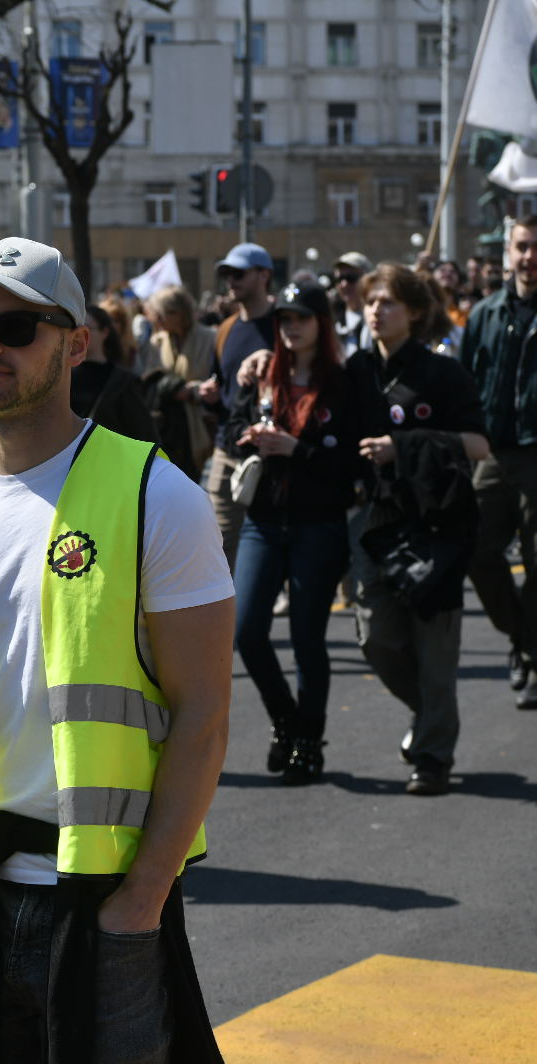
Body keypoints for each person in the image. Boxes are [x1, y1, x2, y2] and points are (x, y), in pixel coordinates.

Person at [0, 237, 233, 1063]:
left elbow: (205, 714)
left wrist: (141, 899)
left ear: (74, 344)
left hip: (99, 897)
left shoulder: (154, 495)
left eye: (17, 325)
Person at [348, 264, 488, 796]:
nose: (376, 312)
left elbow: (478, 446)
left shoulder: (443, 374)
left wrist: (403, 446)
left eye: (388, 302)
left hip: (436, 524)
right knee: (374, 636)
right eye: (370, 302)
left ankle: (432, 757)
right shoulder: (357, 370)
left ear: (416, 311)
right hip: (372, 524)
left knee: (435, 649)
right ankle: (432, 716)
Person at [224, 283, 357, 785]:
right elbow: (230, 429)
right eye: (283, 318)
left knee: (307, 639)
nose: (290, 326)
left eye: (301, 317)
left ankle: (309, 741)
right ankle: (286, 719)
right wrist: (249, 438)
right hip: (263, 520)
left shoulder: (342, 383)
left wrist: (295, 449)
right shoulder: (263, 374)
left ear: (322, 322)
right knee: (246, 630)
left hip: (317, 524)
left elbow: (348, 465)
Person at [462, 217, 537, 707]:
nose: (530, 257)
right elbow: (465, 382)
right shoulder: (485, 314)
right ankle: (524, 639)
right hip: (491, 452)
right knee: (477, 553)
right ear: (508, 252)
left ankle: (529, 654)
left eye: (536, 249)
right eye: (523, 248)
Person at [203, 242, 279, 570]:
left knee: (270, 532)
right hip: (227, 448)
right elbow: (221, 382)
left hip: (271, 449)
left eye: (239, 273)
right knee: (216, 538)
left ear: (265, 275)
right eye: (226, 274)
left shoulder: (285, 325)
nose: (231, 281)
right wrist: (210, 391)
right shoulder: (226, 328)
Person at [139, 285, 217, 482]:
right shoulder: (157, 341)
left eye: (161, 315)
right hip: (167, 426)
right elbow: (149, 379)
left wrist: (195, 392)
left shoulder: (210, 338)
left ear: (178, 313)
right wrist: (177, 388)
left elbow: (217, 380)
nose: (156, 320)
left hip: (202, 426)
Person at [73, 306, 158, 442]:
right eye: (74, 327)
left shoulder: (124, 381)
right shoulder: (59, 375)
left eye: (86, 327)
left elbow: (144, 435)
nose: (78, 333)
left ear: (105, 332)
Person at [331, 252, 374, 354]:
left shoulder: (377, 317)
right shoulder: (332, 318)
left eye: (351, 278)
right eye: (339, 279)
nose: (344, 284)